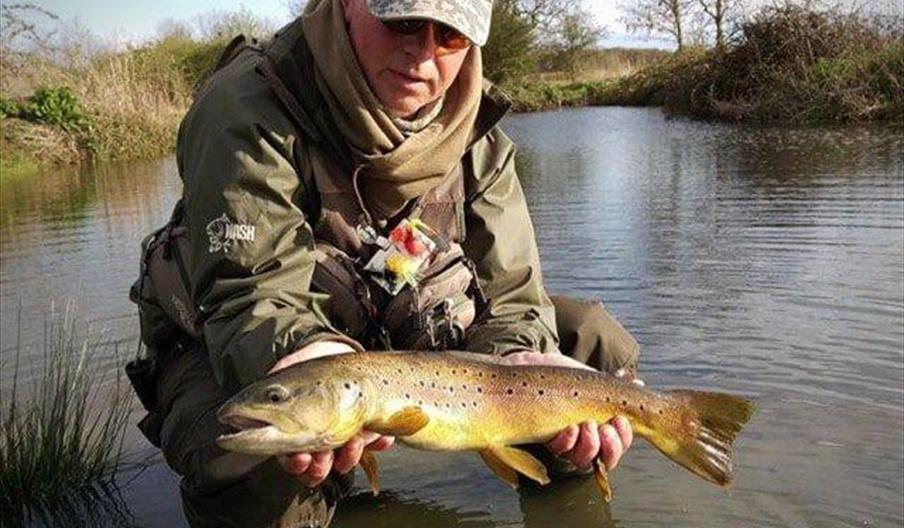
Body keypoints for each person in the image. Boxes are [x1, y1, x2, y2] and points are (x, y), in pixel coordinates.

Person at [131, 0, 641, 526]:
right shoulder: (248, 105)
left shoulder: (480, 135)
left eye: (450, 36)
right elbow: (253, 289)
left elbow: (513, 299)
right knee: (253, 457)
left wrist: (520, 363)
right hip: (242, 341)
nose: (422, 53)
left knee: (591, 347)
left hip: (398, 340)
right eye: (402, 21)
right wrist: (306, 357)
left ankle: (561, 496)